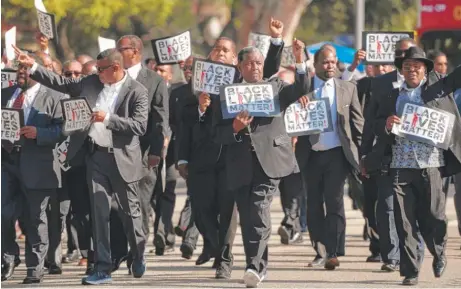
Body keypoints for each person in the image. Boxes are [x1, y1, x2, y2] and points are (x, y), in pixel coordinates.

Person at [14, 46, 150, 285]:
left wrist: (107, 119)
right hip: (96, 157)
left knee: (131, 214)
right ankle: (102, 267)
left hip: (123, 160)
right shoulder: (91, 83)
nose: (97, 74)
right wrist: (33, 66)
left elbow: (139, 126)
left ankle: (137, 254)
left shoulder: (137, 91)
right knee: (98, 214)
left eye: (101, 70)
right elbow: (61, 83)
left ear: (116, 68)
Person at [212, 39, 310, 288]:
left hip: (270, 160)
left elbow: (301, 88)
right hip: (239, 163)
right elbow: (216, 134)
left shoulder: (276, 87)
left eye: (259, 63)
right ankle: (256, 264)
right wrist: (234, 127)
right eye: (249, 63)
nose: (255, 67)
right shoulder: (226, 93)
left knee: (258, 208)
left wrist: (300, 60)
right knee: (249, 217)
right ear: (240, 66)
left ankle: (254, 267)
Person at [373, 47, 461, 285]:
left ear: (425, 70)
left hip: (431, 163)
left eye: (417, 67)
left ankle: (439, 252)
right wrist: (387, 123)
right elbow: (376, 121)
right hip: (401, 164)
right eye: (407, 67)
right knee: (404, 220)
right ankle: (411, 270)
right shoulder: (392, 95)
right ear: (401, 70)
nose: (412, 70)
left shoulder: (436, 89)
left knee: (434, 216)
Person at [294, 46, 364, 270]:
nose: (330, 65)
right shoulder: (304, 88)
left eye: (333, 62)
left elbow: (357, 123)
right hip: (310, 155)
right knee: (314, 205)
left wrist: (362, 155)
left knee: (334, 203)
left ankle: (333, 251)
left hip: (337, 155)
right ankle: (320, 249)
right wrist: (299, 104)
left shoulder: (347, 88)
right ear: (315, 66)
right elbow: (290, 114)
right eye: (325, 62)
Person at [1, 53, 66, 284]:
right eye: (18, 68)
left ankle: (35, 266)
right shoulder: (5, 94)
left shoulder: (54, 97)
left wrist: (40, 134)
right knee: (4, 213)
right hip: (7, 163)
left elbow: (63, 131)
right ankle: (8, 257)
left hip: (37, 165)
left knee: (35, 218)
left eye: (25, 69)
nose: (20, 72)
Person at [109, 35, 169, 273]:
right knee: (115, 207)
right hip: (114, 153)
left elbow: (160, 119)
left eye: (120, 49)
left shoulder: (153, 80)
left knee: (139, 207)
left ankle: (138, 255)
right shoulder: (111, 78)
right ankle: (117, 253)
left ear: (134, 52)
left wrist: (156, 152)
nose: (116, 53)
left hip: (143, 156)